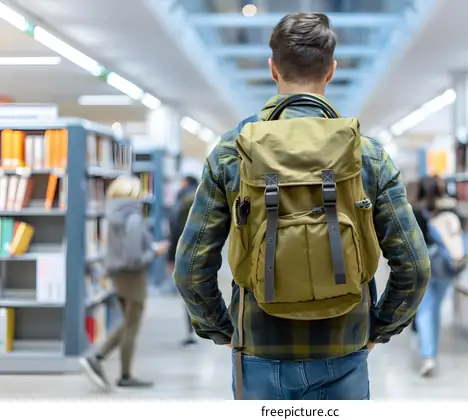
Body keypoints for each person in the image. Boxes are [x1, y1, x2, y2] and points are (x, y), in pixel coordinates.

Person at [173, 12, 430, 400]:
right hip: (345, 348)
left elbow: (190, 267)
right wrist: (378, 329)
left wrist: (224, 331)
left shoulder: (233, 151)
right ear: (331, 71)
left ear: (273, 68)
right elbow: (415, 265)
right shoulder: (366, 154)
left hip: (258, 348)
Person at [80, 175, 169, 390]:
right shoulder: (133, 218)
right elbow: (134, 257)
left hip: (118, 276)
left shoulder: (113, 214)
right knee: (132, 325)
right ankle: (104, 361)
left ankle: (112, 366)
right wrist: (154, 252)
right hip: (133, 277)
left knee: (127, 323)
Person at [412, 175, 461, 377]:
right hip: (446, 267)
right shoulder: (450, 208)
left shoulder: (414, 211)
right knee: (436, 309)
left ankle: (428, 355)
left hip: (424, 267)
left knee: (424, 310)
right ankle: (430, 348)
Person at [167, 175, 199, 346]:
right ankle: (196, 329)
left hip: (184, 251)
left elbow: (175, 229)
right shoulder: (202, 198)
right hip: (199, 251)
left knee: (187, 292)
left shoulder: (182, 201)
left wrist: (170, 256)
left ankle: (192, 330)